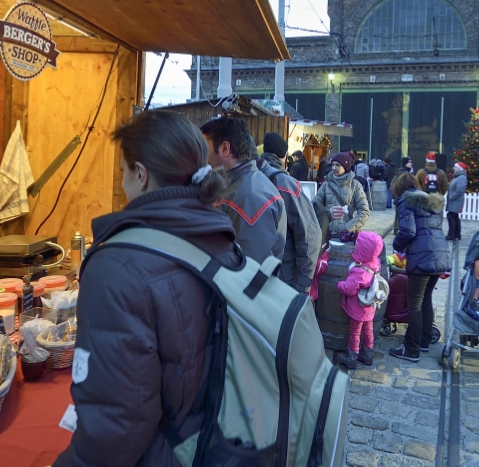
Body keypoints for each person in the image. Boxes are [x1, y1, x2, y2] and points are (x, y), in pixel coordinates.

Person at [55, 110, 240, 467]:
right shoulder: (218, 238)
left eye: (123, 172)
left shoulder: (117, 268)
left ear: (140, 176)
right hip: (214, 441)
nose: (122, 183)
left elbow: (115, 428)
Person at [200, 117, 287, 264]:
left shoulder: (248, 197)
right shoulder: (241, 185)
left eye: (203, 146)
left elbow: (251, 271)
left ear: (225, 149)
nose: (201, 154)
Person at [388, 172, 450, 362]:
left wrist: (397, 246)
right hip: (439, 255)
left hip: (422, 257)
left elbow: (408, 230)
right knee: (426, 299)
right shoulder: (430, 201)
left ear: (399, 188)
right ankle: (423, 341)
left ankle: (411, 349)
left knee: (414, 303)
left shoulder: (407, 201)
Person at [257, 132, 322, 292]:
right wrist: (302, 286)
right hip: (283, 280)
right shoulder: (285, 184)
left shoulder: (248, 178)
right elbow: (310, 235)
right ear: (285, 156)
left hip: (250, 277)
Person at [336, 230, 385, 370]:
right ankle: (368, 355)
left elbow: (349, 289)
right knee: (369, 330)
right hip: (370, 307)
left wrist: (340, 285)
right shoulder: (376, 263)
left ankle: (352, 358)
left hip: (358, 308)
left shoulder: (360, 272)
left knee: (355, 332)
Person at [315, 151, 370, 235]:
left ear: (346, 166)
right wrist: (328, 214)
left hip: (346, 235)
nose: (334, 168)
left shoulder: (355, 185)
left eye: (337, 165)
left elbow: (364, 211)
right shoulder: (326, 184)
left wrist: (348, 228)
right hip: (326, 233)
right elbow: (315, 207)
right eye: (332, 165)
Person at [445, 161, 468, 241]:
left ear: (459, 168)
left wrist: (452, 196)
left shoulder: (461, 177)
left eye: (455, 167)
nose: (453, 168)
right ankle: (457, 234)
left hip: (455, 201)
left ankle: (452, 234)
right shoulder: (457, 177)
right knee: (455, 217)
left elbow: (460, 190)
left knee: (450, 216)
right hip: (454, 201)